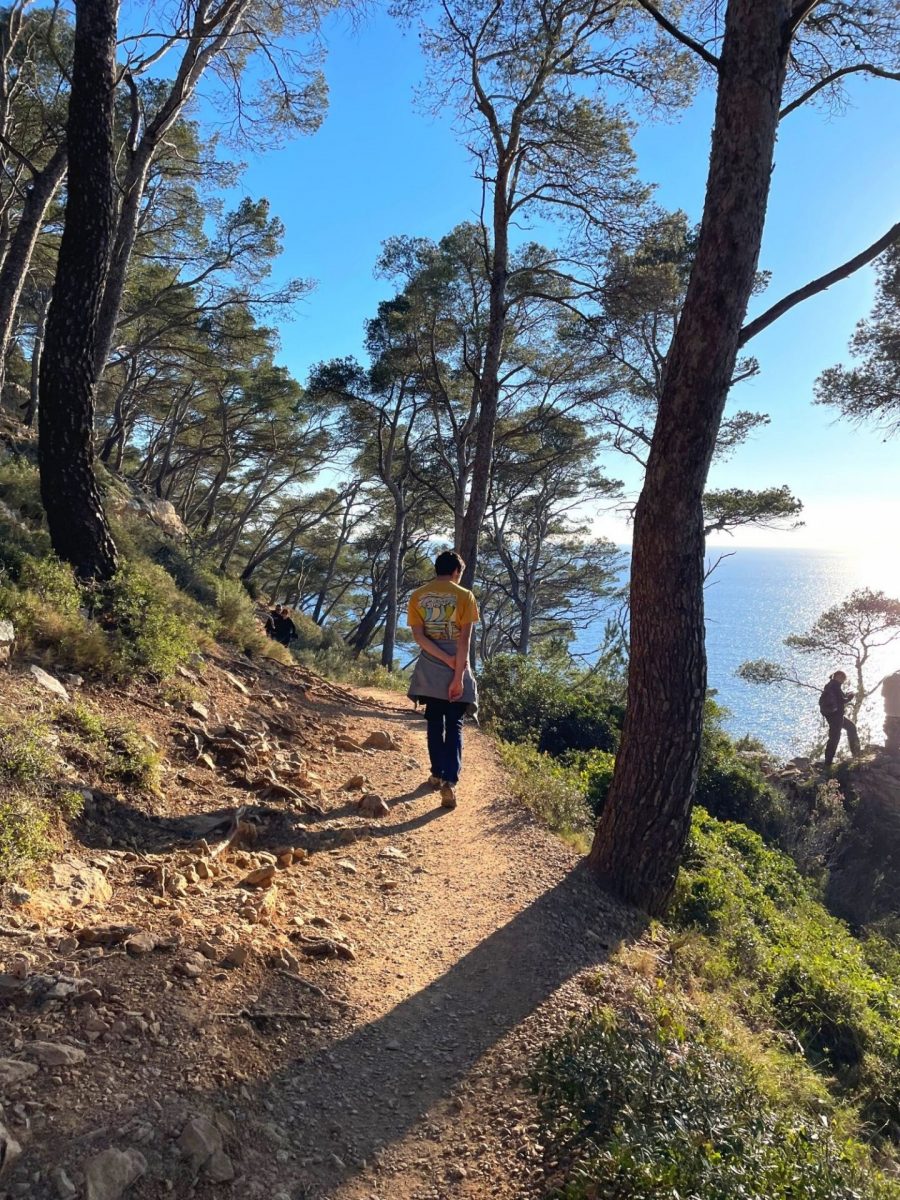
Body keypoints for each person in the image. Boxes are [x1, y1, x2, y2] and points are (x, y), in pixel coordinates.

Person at [406, 550, 478, 810]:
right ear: (457, 572)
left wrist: (443, 660)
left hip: (430, 669)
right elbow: (464, 640)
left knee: (434, 722)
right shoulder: (465, 596)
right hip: (457, 664)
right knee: (455, 724)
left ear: (437, 570)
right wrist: (457, 673)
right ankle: (449, 780)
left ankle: (436, 774)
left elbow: (419, 637)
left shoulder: (417, 596)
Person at [819, 670, 861, 767]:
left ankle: (856, 754)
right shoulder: (834, 686)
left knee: (849, 728)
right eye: (841, 677)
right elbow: (841, 700)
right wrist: (850, 697)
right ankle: (828, 763)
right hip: (835, 716)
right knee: (835, 737)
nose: (842, 680)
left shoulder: (832, 685)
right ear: (836, 677)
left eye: (843, 678)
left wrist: (846, 696)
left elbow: (838, 698)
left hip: (834, 715)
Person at [883, 669, 900, 755]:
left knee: (891, 732)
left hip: (889, 711)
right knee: (897, 734)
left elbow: (883, 693)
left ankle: (890, 753)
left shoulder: (887, 678)